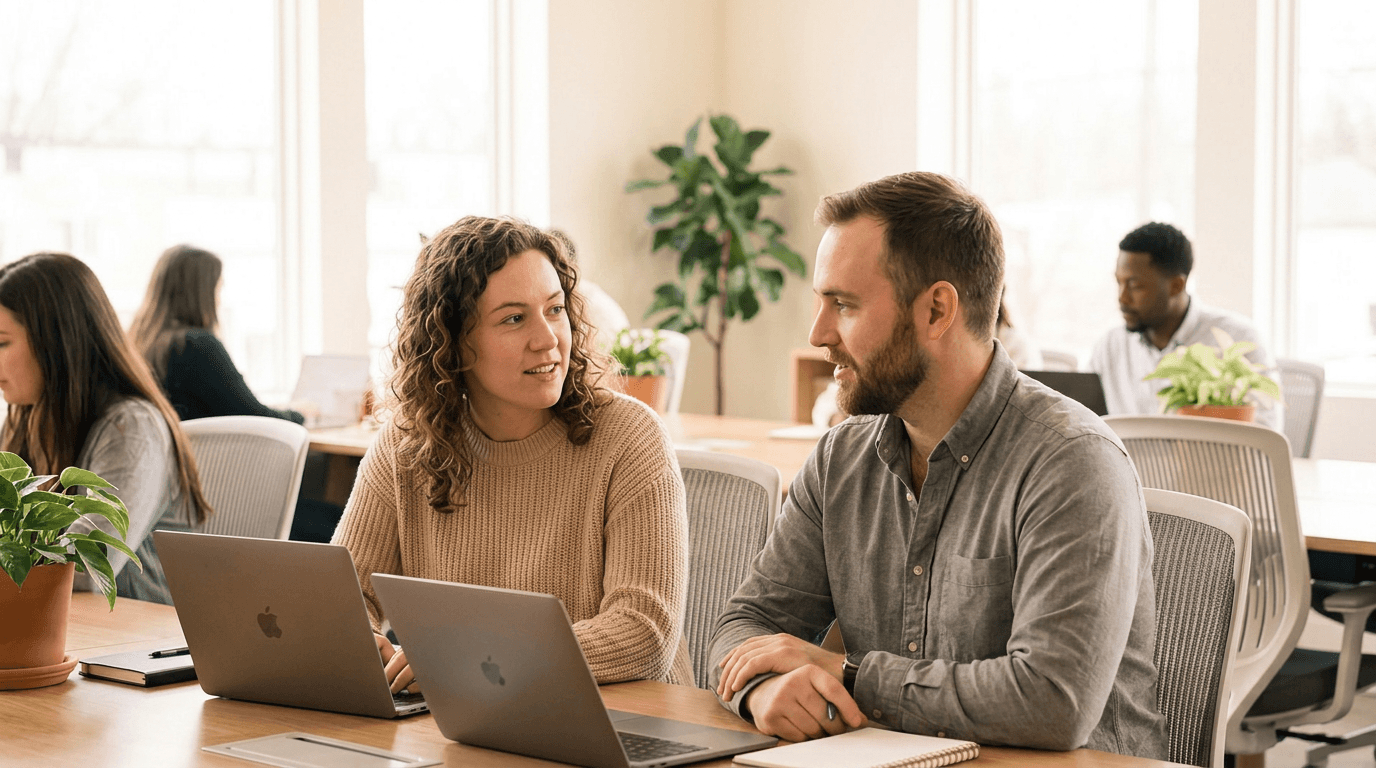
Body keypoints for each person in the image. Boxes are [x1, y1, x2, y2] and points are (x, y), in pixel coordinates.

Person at [709, 172, 1167, 758]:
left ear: (936, 310)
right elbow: (744, 624)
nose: (818, 333)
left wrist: (847, 675)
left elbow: (1053, 702)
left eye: (843, 304)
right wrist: (761, 687)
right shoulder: (841, 456)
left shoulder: (1072, 462)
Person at [332, 216, 692, 694]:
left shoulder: (629, 436)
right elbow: (341, 597)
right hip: (473, 714)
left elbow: (644, 632)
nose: (548, 339)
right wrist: (360, 640)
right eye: (514, 318)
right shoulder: (407, 443)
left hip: (624, 721)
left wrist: (472, 653)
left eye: (556, 309)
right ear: (453, 344)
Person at [0, 252, 212, 604]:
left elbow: (86, 567)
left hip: (135, 642)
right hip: (59, 628)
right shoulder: (27, 417)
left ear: (56, 341)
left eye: (2, 342)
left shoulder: (131, 428)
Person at [1087, 222, 1282, 431]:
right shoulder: (1109, 347)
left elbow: (1264, 433)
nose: (1122, 297)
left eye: (1135, 286)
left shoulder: (1238, 339)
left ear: (1176, 286)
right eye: (1119, 283)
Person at [129, 244, 303, 423]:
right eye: (217, 289)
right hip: (207, 452)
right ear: (200, 294)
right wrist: (299, 414)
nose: (219, 301)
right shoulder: (195, 345)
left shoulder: (141, 342)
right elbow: (253, 415)